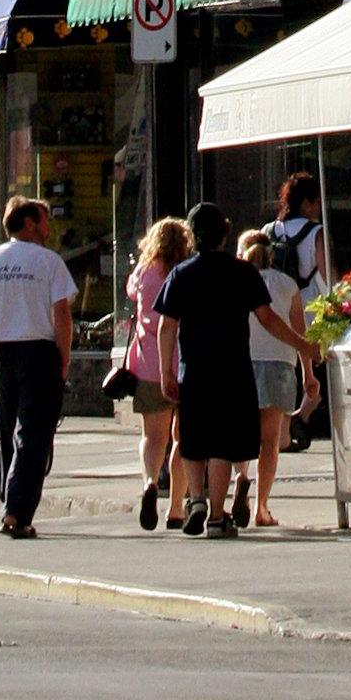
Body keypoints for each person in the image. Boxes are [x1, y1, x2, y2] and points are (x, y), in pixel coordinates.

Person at [156, 197, 310, 537]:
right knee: (223, 444)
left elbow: (167, 327)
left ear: (193, 237)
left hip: (192, 370)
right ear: (224, 235)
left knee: (194, 440)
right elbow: (269, 319)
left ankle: (195, 499)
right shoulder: (242, 273)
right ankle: (215, 514)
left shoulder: (181, 274)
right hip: (232, 370)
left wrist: (166, 372)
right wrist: (303, 345)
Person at [0, 195, 76, 540]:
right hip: (39, 351)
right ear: (30, 224)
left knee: (5, 430)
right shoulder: (49, 262)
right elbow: (61, 314)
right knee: (33, 434)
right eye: (44, 221)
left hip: (0, 353)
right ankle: (17, 511)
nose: (49, 229)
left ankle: (10, 500)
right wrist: (63, 358)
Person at [124, 213, 192, 532]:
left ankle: (151, 481)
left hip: (148, 363)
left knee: (153, 437)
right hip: (184, 361)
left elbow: (131, 294)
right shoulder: (185, 274)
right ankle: (176, 507)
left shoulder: (143, 273)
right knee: (182, 437)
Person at [239, 226, 311, 526]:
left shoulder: (236, 283)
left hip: (242, 363)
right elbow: (299, 332)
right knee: (270, 442)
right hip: (281, 364)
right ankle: (262, 507)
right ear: (272, 255)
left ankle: (240, 483)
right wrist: (309, 374)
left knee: (239, 436)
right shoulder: (287, 285)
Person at [268, 168, 328, 448]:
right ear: (306, 203)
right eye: (316, 202)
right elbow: (327, 276)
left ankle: (281, 428)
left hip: (272, 307)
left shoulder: (268, 231)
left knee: (283, 366)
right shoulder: (316, 232)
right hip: (307, 306)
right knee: (315, 367)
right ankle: (300, 416)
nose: (319, 208)